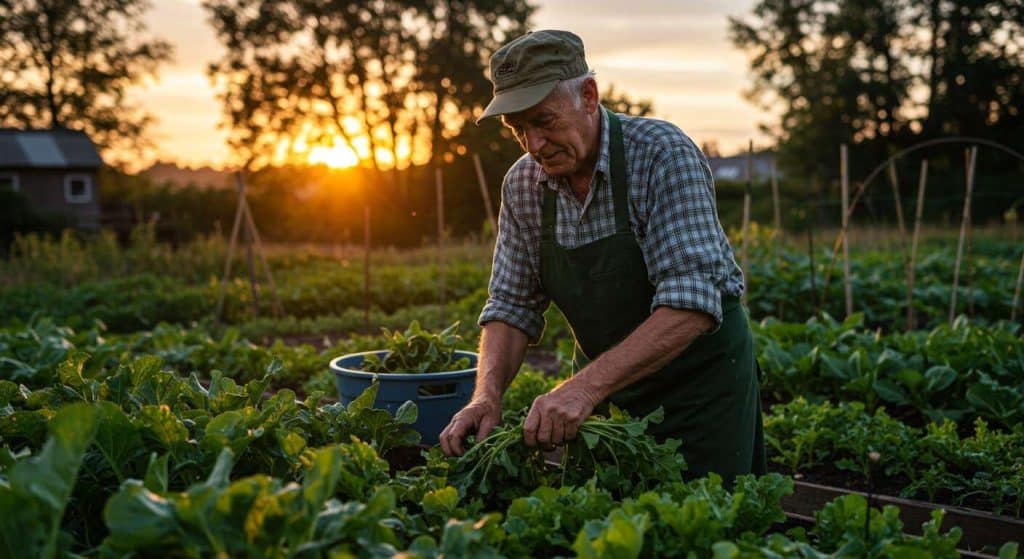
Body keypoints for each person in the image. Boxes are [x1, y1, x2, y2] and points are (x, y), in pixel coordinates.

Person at [439, 29, 766, 484]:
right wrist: (486, 395)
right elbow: (511, 306)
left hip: (700, 391)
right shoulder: (522, 186)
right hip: (604, 397)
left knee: (704, 526)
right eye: (519, 130)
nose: (534, 144)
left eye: (544, 120)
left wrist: (583, 388)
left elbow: (692, 303)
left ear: (589, 96)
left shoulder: (660, 155)